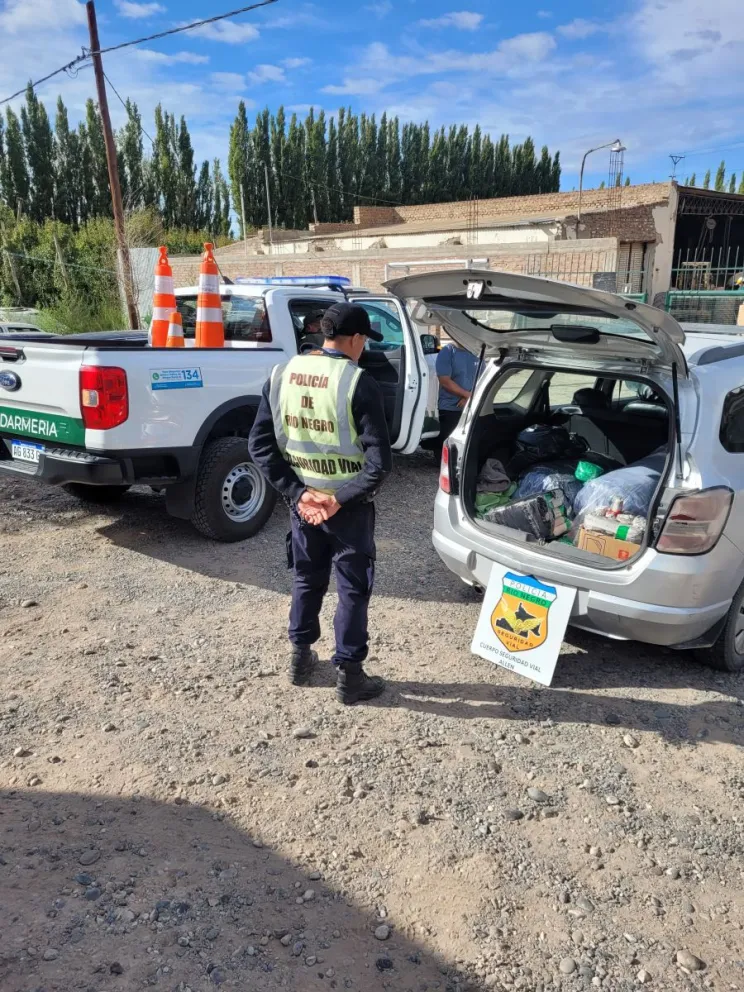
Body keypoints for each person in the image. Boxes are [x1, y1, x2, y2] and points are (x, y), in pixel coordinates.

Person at [248, 302, 392, 705]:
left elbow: (259, 445)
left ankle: (300, 659)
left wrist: (298, 493)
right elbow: (380, 464)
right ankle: (350, 676)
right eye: (364, 341)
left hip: (304, 504)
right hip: (348, 508)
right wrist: (337, 499)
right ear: (356, 339)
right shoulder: (357, 382)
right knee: (352, 589)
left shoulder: (282, 374)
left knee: (306, 579)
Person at [434, 339, 479, 454]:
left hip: (471, 405)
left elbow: (483, 377)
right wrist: (468, 395)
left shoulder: (477, 352)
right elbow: (445, 381)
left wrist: (469, 398)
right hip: (450, 407)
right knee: (448, 446)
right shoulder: (448, 351)